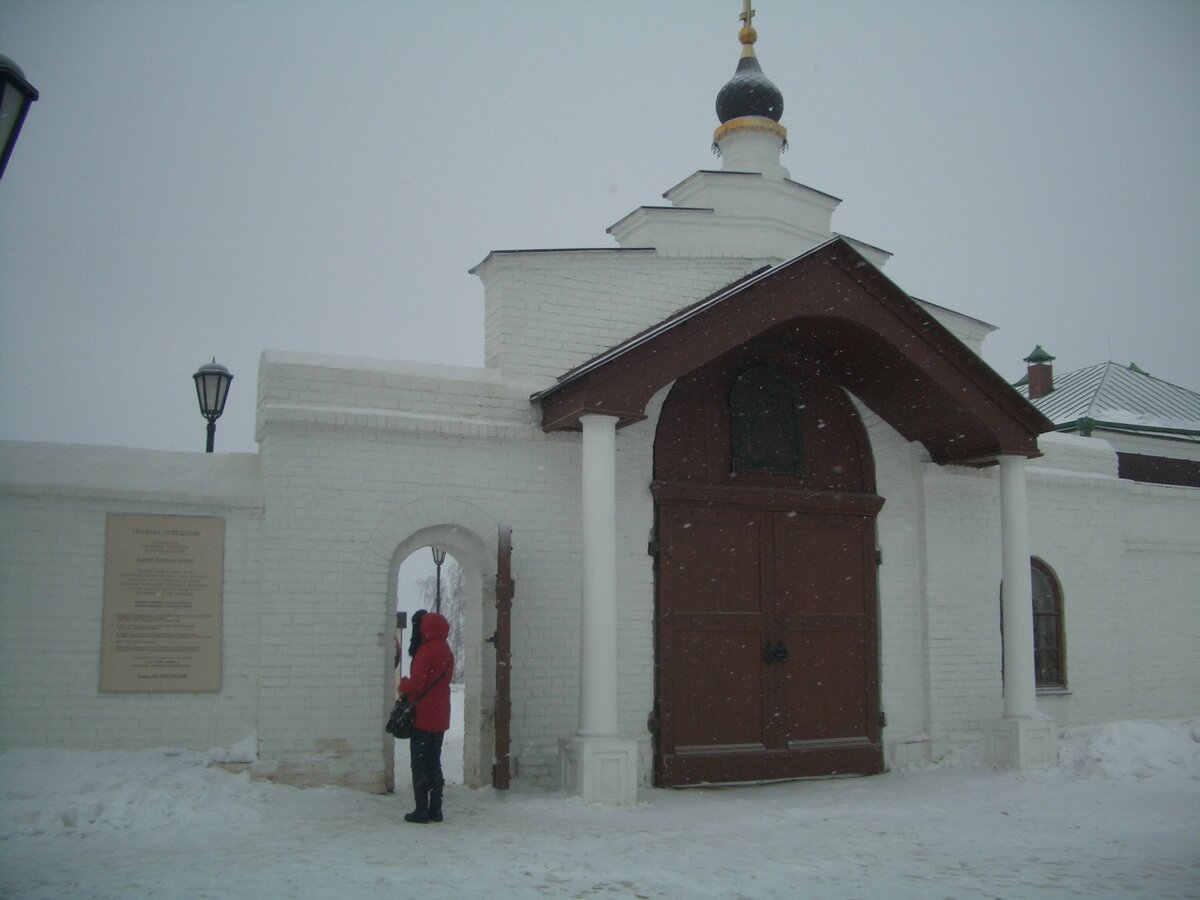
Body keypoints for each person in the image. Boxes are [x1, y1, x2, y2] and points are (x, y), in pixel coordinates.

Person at [398, 608, 454, 824]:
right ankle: (436, 809)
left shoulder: (426, 651)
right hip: (440, 714)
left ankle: (421, 809)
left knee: (419, 763)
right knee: (434, 761)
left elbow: (418, 683)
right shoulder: (447, 651)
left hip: (422, 715)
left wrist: (403, 685)